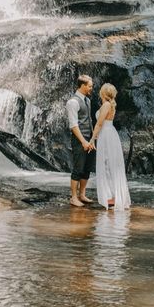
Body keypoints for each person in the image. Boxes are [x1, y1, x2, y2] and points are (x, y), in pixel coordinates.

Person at [90, 83, 131, 211]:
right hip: (108, 134)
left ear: (103, 93)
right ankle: (112, 195)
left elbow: (99, 124)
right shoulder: (109, 104)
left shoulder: (107, 105)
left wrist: (92, 139)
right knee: (109, 163)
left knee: (107, 163)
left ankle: (112, 197)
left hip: (106, 134)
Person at [66, 74, 96, 207]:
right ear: (83, 86)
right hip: (79, 140)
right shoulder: (72, 102)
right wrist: (83, 141)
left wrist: (92, 140)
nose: (91, 88)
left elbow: (89, 121)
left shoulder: (88, 101)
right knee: (78, 168)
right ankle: (73, 197)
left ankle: (82, 195)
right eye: (90, 86)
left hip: (90, 139)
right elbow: (73, 125)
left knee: (87, 168)